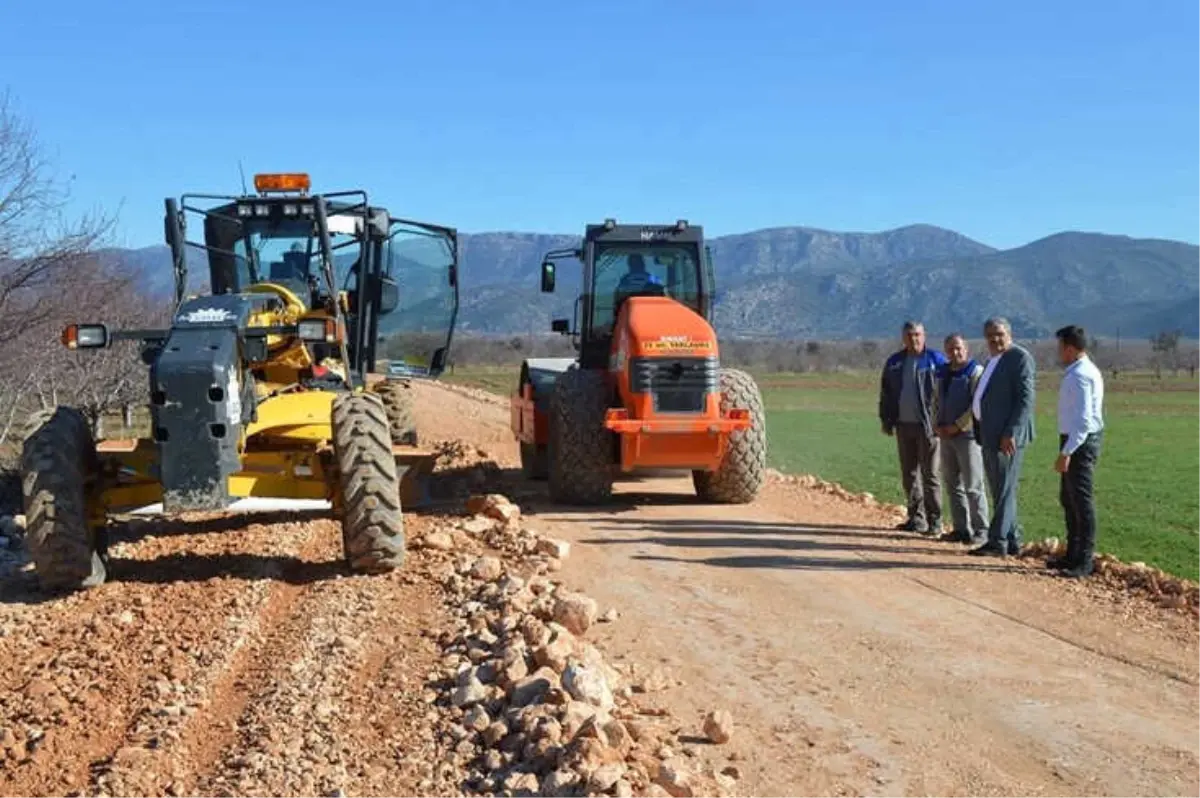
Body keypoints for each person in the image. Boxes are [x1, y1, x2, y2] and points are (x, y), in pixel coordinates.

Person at [969, 316, 1036, 557]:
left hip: (1007, 437)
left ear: (1010, 334)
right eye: (990, 335)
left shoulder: (1019, 358)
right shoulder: (992, 361)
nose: (995, 339)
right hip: (989, 434)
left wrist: (1011, 432)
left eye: (999, 334)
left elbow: (1025, 399)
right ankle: (1012, 538)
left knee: (1005, 488)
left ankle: (998, 542)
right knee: (1000, 489)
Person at [878, 321, 947, 534]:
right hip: (903, 425)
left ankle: (935, 521)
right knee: (909, 474)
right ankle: (916, 519)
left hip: (928, 427)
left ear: (924, 336)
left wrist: (941, 421)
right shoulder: (895, 362)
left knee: (931, 475)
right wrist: (886, 420)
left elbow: (946, 394)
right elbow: (886, 393)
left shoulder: (936, 361)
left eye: (917, 334)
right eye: (909, 335)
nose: (913, 339)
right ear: (903, 338)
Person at [1049, 324, 1105, 577]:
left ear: (1070, 348)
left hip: (1080, 442)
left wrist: (1067, 452)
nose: (1058, 351)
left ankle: (1084, 560)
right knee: (1069, 499)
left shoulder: (1082, 375)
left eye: (1060, 347)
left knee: (1081, 501)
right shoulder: (1078, 371)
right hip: (1075, 440)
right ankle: (1072, 555)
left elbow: (1083, 420)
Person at [935, 333, 990, 544]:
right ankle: (960, 529)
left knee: (973, 485)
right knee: (952, 484)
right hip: (944, 435)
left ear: (966, 349)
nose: (954, 352)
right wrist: (936, 424)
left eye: (958, 348)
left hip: (968, 436)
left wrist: (957, 426)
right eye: (950, 349)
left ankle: (981, 530)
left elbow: (976, 406)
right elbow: (936, 401)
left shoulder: (975, 372)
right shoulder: (942, 373)